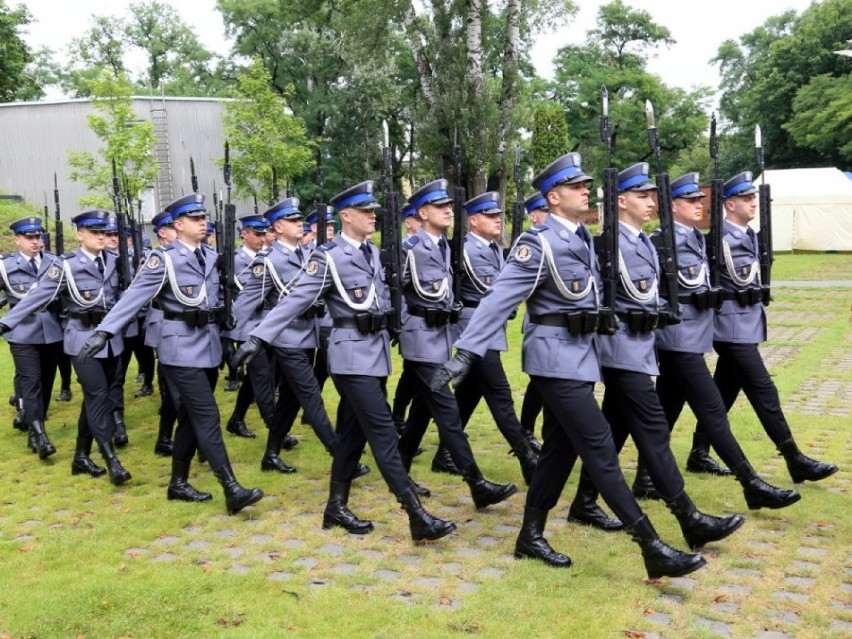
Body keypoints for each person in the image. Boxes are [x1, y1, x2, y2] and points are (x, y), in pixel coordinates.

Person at [432, 153, 706, 578]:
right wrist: (465, 353)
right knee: (599, 447)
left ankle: (530, 536)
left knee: (559, 452)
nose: (586, 191)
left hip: (581, 358)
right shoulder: (537, 242)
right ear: (554, 197)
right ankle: (651, 545)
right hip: (553, 360)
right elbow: (498, 299)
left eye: (586, 185)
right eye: (577, 187)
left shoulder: (582, 237)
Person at [233, 181, 454, 542]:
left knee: (352, 434)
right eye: (365, 211)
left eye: (374, 211)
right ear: (346, 215)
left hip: (376, 353)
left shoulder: (372, 251)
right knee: (382, 432)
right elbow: (294, 300)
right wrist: (257, 337)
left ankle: (335, 507)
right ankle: (416, 514)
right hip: (351, 357)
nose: (373, 216)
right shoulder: (328, 256)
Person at [561, 163, 746, 550]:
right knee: (655, 430)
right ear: (621, 199)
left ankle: (583, 502)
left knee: (612, 428)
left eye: (652, 196)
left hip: (639, 349)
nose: (652, 202)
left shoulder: (643, 241)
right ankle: (688, 517)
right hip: (619, 350)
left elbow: (646, 293)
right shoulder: (606, 242)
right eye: (642, 196)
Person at [626, 172, 802, 512]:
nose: (699, 204)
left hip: (692, 339)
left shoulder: (699, 238)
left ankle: (645, 478)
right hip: (677, 340)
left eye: (699, 199)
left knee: (666, 410)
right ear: (673, 205)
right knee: (713, 411)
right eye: (690, 200)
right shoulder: (663, 240)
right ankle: (751, 482)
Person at [77, 193, 263, 514]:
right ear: (177, 224)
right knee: (207, 416)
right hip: (178, 348)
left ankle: (177, 484)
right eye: (194, 218)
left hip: (207, 347)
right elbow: (133, 297)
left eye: (203, 217)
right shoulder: (163, 260)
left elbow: (235, 297)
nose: (202, 222)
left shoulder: (212, 256)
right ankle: (231, 487)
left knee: (191, 418)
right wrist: (104, 331)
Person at [699, 171, 837, 484]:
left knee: (725, 389)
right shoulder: (718, 239)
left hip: (746, 323)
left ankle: (699, 451)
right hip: (730, 328)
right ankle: (794, 458)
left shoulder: (751, 235)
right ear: (730, 204)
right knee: (764, 390)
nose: (753, 203)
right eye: (746, 198)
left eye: (754, 197)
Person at [394, 179, 518, 507]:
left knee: (423, 408)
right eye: (440, 206)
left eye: (449, 205)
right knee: (448, 412)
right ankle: (476, 483)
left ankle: (401, 469)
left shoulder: (445, 246)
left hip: (441, 338)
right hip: (421, 340)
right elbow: (394, 291)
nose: (449, 210)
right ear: (422, 212)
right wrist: (406, 325)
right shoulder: (409, 248)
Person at [0, 210, 131, 484]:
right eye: (94, 233)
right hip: (81, 339)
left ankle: (80, 457)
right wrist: (6, 323)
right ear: (80, 235)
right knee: (97, 397)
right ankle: (111, 460)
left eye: (104, 233)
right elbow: (37, 296)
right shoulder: (66, 265)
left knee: (99, 399)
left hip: (111, 340)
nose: (101, 238)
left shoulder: (115, 261)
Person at [231, 199, 340, 472]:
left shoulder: (306, 254)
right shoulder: (268, 261)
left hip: (308, 334)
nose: (300, 224)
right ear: (278, 227)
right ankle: (340, 454)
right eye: (293, 221)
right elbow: (245, 302)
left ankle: (270, 455)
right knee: (311, 396)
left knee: (289, 401)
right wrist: (234, 337)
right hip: (286, 337)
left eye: (300, 219)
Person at [448, 191, 538, 484]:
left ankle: (446, 453)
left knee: (468, 394)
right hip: (475, 328)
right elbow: (493, 290)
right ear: (473, 221)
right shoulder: (467, 250)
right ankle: (526, 454)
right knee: (500, 396)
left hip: (489, 327)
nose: (498, 220)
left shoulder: (493, 249)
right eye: (490, 215)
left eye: (499, 215)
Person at [0, 216, 62, 458]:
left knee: (46, 383)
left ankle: (34, 430)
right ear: (17, 240)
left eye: (38, 237)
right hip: (22, 332)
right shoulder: (5, 266)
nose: (36, 242)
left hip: (52, 330)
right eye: (30, 237)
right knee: (31, 382)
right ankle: (40, 434)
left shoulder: (55, 262)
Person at [222, 213, 272, 439]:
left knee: (254, 380)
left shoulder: (269, 257)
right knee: (262, 379)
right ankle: (276, 428)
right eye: (257, 234)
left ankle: (236, 419)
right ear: (244, 234)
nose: (263, 238)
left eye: (264, 233)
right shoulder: (236, 261)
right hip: (248, 327)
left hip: (267, 325)